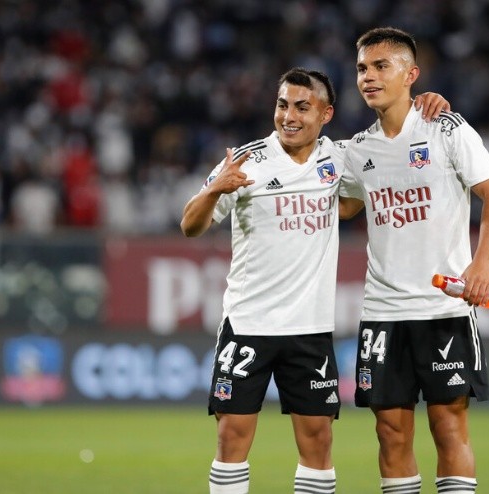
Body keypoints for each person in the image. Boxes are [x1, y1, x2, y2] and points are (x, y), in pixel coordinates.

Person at [180, 67, 450, 494]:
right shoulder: (247, 160)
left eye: (302, 108)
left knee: (318, 442)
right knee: (232, 437)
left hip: (310, 330)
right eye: (282, 105)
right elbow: (190, 225)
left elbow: (384, 161)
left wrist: (424, 108)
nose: (289, 116)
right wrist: (214, 191)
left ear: (325, 114)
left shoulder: (339, 157)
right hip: (249, 325)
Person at [338, 27, 489, 494]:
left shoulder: (446, 128)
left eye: (381, 66)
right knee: (390, 432)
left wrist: (482, 263)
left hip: (441, 309)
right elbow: (344, 206)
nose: (368, 77)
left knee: (448, 426)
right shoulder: (358, 150)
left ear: (411, 74)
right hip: (382, 312)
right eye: (362, 68)